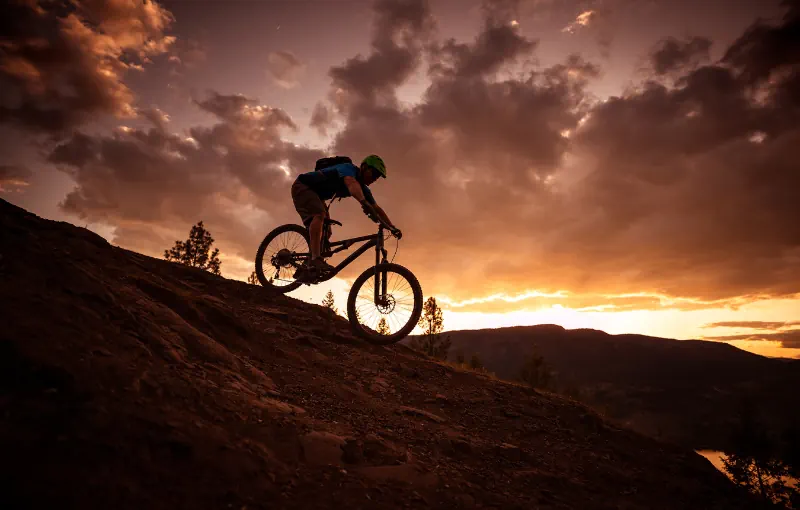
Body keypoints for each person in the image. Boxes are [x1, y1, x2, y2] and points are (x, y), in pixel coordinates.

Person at [291, 154, 402, 281]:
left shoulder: (364, 189)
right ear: (364, 167)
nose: (375, 179)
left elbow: (377, 208)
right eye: (374, 174)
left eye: (377, 177)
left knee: (326, 232)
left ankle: (306, 268)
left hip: (316, 196)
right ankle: (316, 259)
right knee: (319, 215)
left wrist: (392, 227)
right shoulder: (348, 168)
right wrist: (364, 202)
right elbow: (350, 183)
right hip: (303, 186)